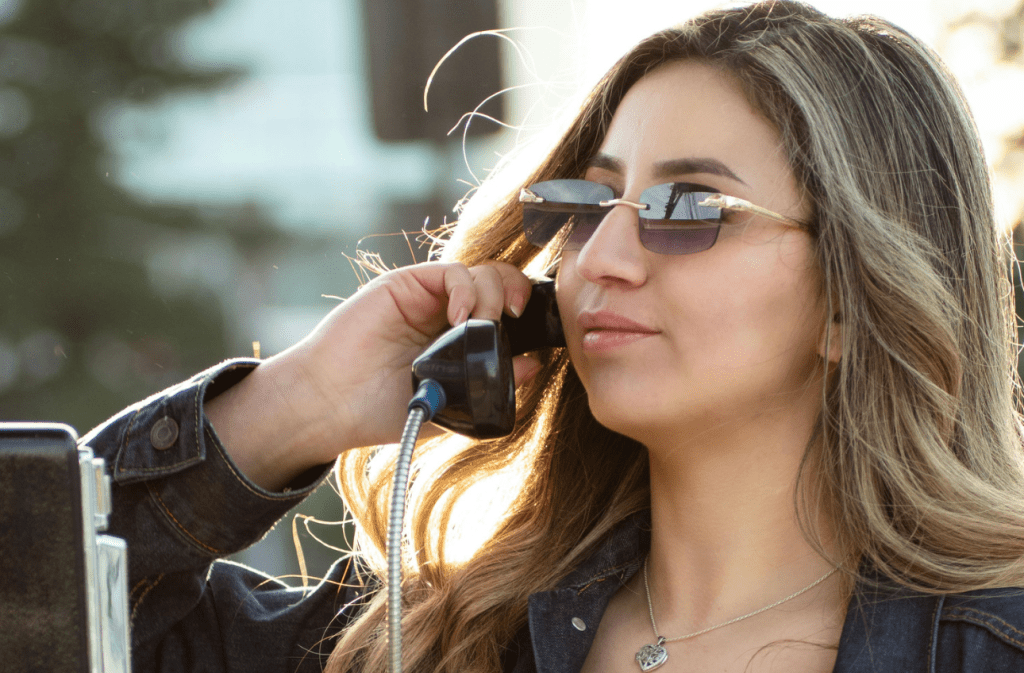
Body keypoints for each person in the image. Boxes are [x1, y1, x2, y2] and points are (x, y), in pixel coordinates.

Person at [81, 1, 1024, 671]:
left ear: (854, 300)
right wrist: (292, 408)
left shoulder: (987, 646)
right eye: (588, 202)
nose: (601, 256)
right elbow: (41, 618)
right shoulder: (425, 646)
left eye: (689, 206)